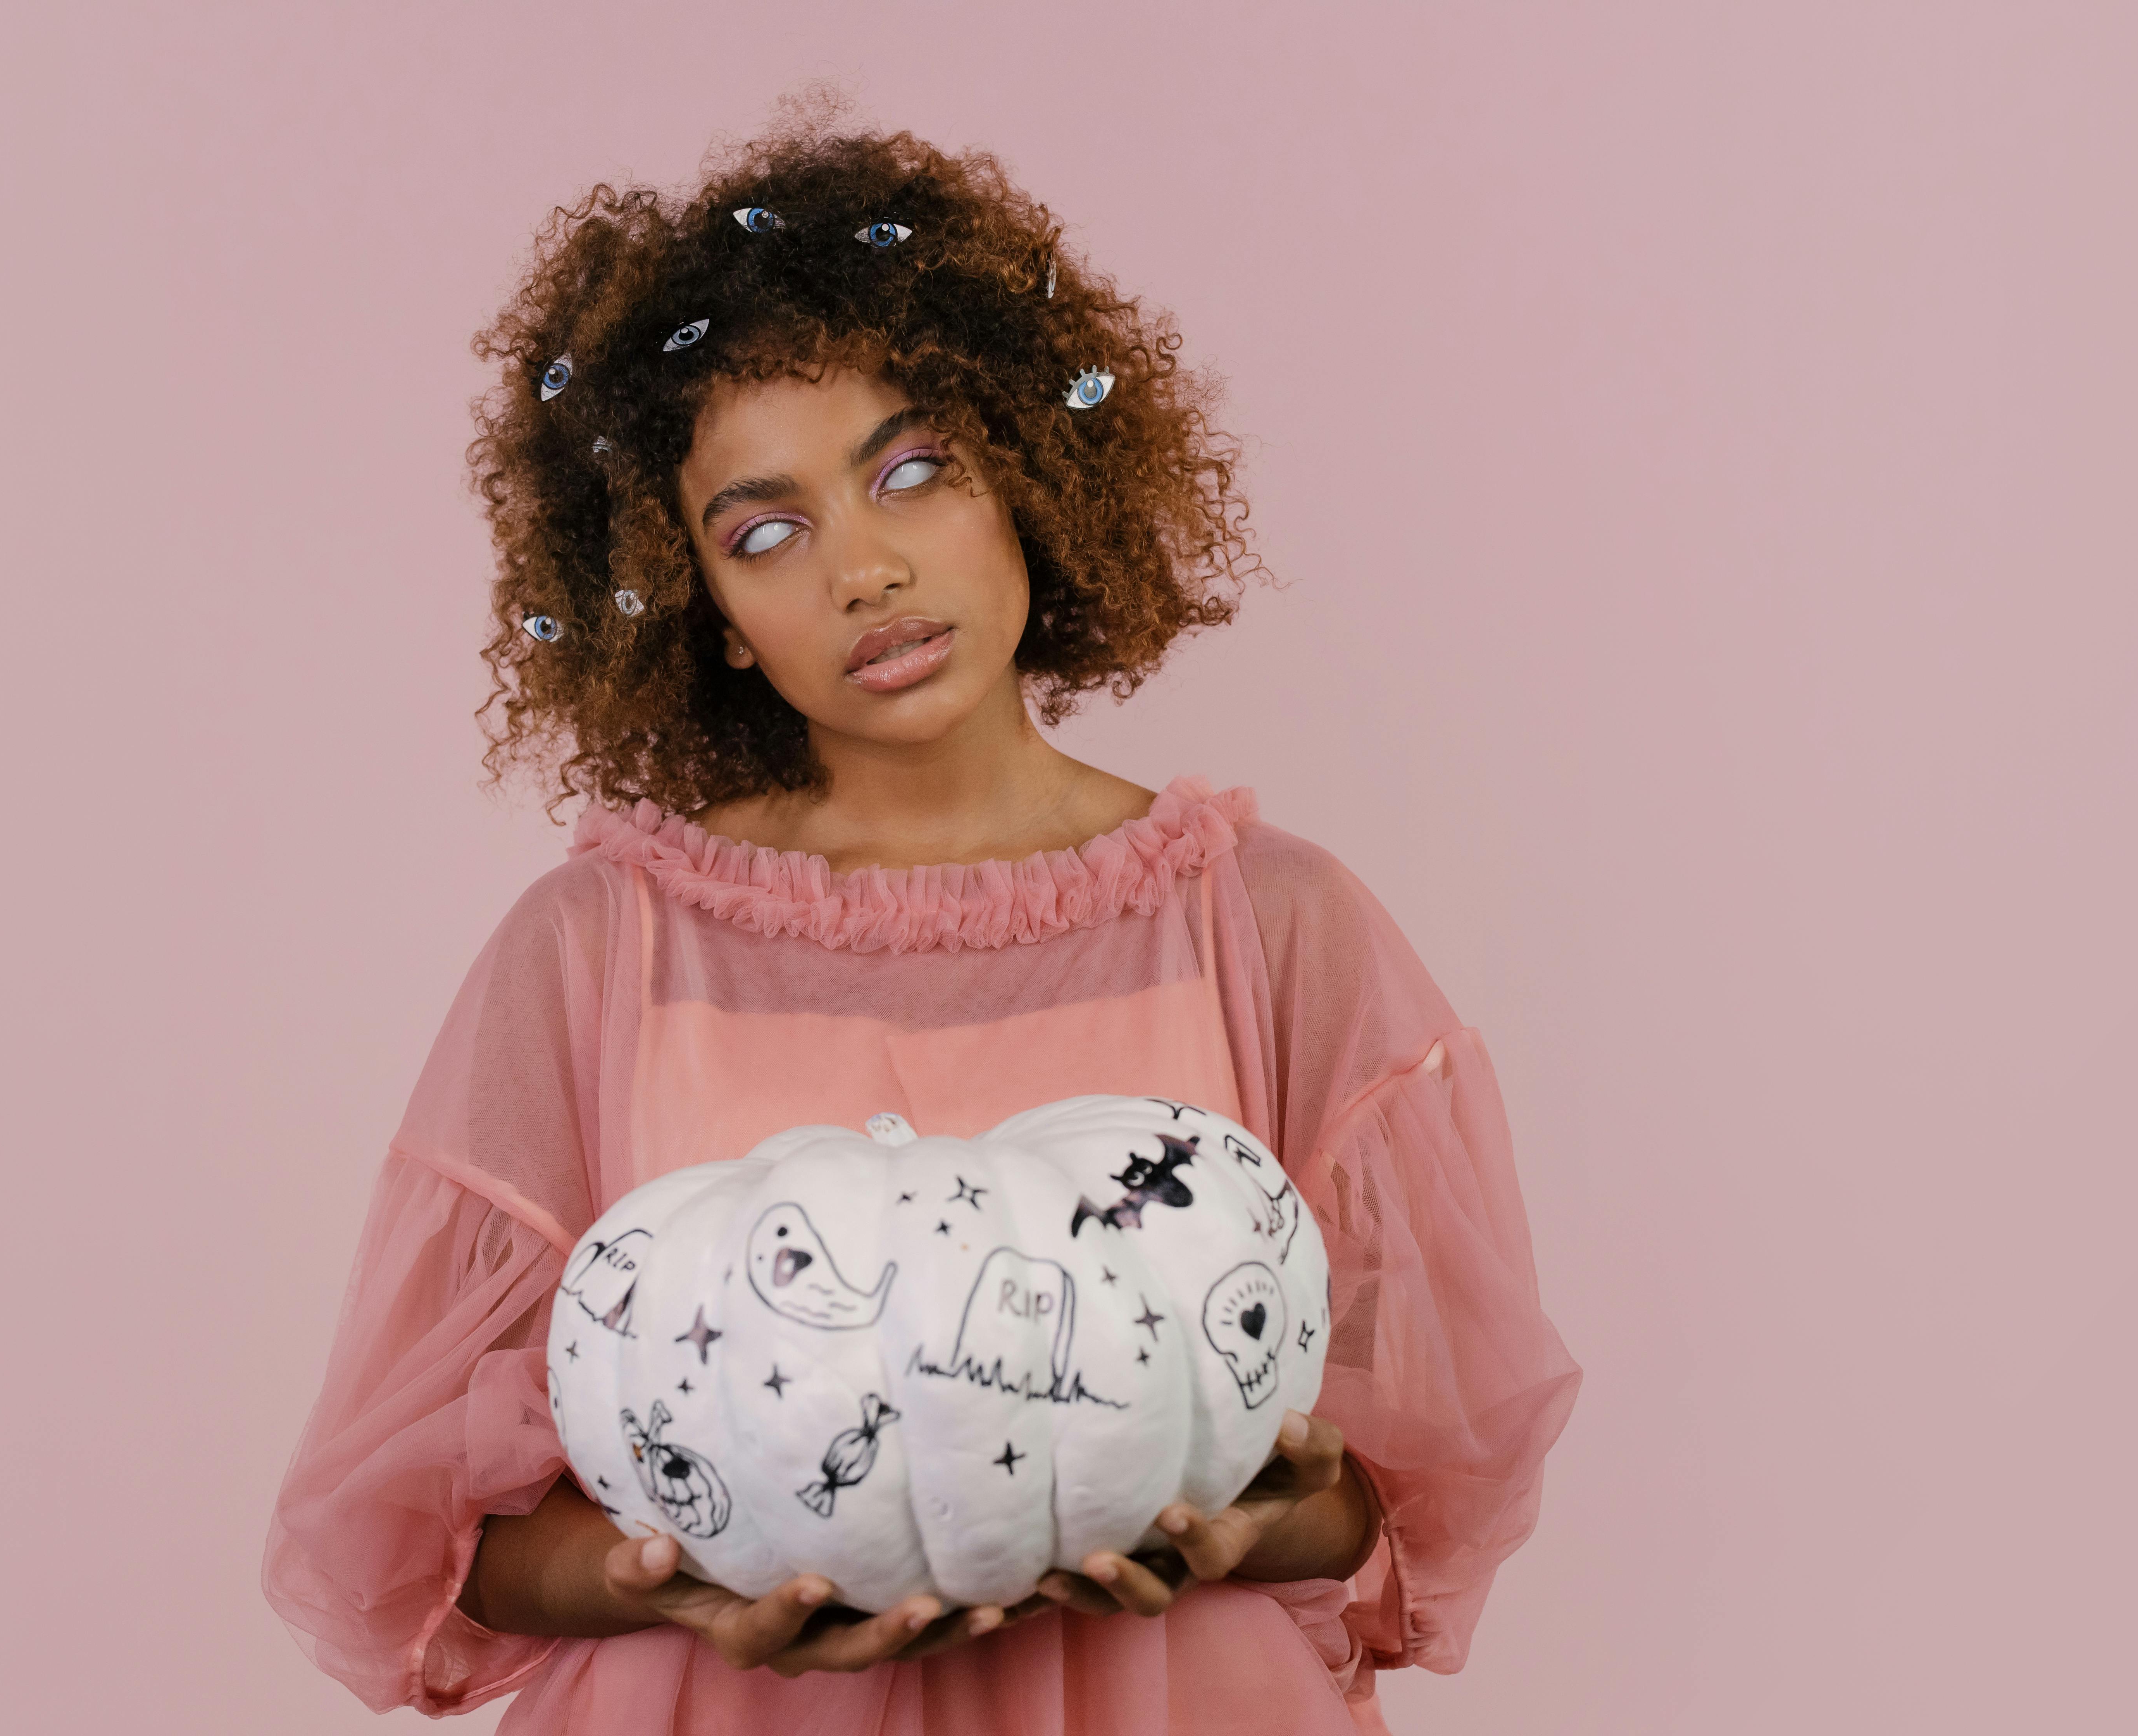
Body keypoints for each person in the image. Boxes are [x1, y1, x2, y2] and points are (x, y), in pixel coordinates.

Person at [262, 112, 1580, 1735]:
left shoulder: (1276, 925)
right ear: (710, 618)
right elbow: (434, 1542)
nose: (866, 571)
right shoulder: (600, 949)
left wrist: (1268, 1519)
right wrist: (640, 1577)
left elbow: (1396, 1506)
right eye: (766, 531)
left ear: (1026, 468)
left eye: (912, 470)